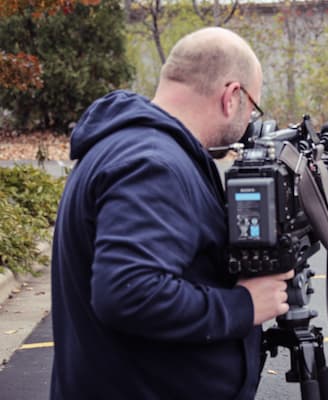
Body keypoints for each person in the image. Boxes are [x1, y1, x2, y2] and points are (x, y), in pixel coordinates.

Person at [50, 27, 293, 400]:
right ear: (232, 96)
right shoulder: (153, 165)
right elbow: (127, 292)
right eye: (253, 108)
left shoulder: (127, 147)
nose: (248, 125)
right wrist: (243, 306)